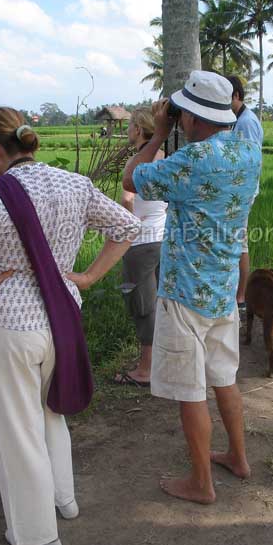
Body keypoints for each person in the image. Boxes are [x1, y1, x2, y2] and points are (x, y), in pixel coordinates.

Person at [0, 107, 140, 545]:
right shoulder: (74, 184)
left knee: (18, 429)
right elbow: (128, 225)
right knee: (53, 412)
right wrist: (87, 277)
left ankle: (36, 537)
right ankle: (63, 498)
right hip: (62, 319)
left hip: (11, 325)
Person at [123, 70, 262, 504]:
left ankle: (201, 483)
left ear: (193, 117)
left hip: (184, 292)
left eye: (182, 113)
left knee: (189, 390)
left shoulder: (191, 161)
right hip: (222, 289)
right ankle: (238, 458)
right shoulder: (248, 151)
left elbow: (132, 178)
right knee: (225, 379)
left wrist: (158, 130)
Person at [115, 108, 167, 386]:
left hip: (141, 241)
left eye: (129, 126)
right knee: (158, 301)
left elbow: (126, 198)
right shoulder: (163, 157)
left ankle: (145, 369)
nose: (127, 131)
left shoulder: (138, 160)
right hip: (161, 238)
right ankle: (158, 362)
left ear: (137, 128)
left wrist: (131, 221)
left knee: (142, 305)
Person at [227, 75, 264, 324]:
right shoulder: (237, 120)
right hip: (236, 192)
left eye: (226, 97)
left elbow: (251, 164)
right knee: (236, 242)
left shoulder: (247, 123)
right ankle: (238, 294)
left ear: (237, 96)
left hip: (242, 193)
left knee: (240, 244)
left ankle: (241, 297)